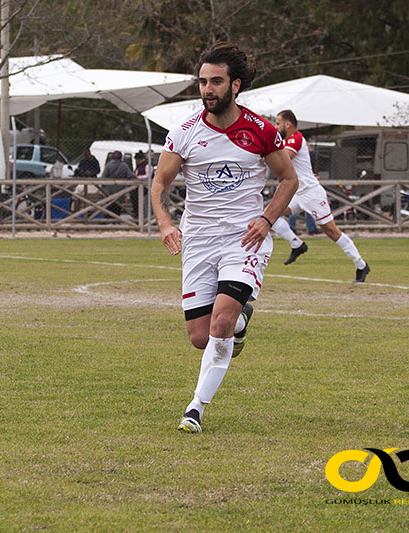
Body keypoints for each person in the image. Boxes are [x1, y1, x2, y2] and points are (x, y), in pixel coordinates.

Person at [150, 42, 298, 434]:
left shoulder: (262, 130)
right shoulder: (183, 132)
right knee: (201, 337)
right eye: (202, 82)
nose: (207, 89)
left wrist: (267, 220)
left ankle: (195, 408)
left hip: (243, 239)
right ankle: (241, 323)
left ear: (235, 86)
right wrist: (166, 223)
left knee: (220, 324)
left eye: (216, 81)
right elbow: (160, 182)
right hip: (198, 239)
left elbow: (288, 179)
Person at [270, 110, 370, 281]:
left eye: (278, 123)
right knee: (269, 214)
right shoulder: (289, 140)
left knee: (331, 231)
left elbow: (283, 159)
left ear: (288, 124)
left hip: (311, 193)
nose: (276, 127)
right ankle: (297, 244)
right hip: (297, 193)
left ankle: (361, 265)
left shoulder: (296, 138)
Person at [101, 150, 133, 215]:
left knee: (109, 205)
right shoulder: (124, 165)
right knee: (118, 206)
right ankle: (117, 220)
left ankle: (108, 219)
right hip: (120, 189)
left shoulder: (109, 164)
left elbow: (103, 176)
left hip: (109, 189)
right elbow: (130, 175)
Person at [130, 150, 151, 217]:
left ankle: (140, 215)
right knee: (133, 196)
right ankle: (136, 213)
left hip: (146, 188)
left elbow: (148, 175)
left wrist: (138, 177)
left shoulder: (147, 165)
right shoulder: (138, 167)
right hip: (138, 187)